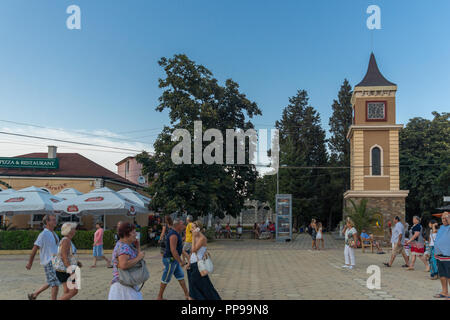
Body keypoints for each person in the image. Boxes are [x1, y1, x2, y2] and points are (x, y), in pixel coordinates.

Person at [26, 214, 60, 300]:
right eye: (53, 220)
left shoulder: (54, 233)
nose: (55, 221)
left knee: (52, 281)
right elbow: (35, 248)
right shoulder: (43, 234)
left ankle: (34, 295)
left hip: (56, 260)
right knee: (55, 283)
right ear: (47, 222)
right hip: (49, 261)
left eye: (55, 219)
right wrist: (30, 263)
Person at [108, 222, 145, 300]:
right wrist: (139, 257)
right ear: (126, 234)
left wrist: (138, 247)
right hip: (123, 287)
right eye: (133, 232)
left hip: (126, 283)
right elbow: (123, 265)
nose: (136, 234)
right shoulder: (123, 247)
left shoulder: (126, 245)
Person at [186, 220, 221, 300]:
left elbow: (193, 250)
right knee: (193, 285)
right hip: (193, 263)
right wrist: (188, 263)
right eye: (191, 228)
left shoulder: (202, 238)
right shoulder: (196, 237)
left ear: (198, 229)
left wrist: (193, 237)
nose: (191, 229)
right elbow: (192, 254)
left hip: (198, 265)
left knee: (203, 285)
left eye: (193, 228)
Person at [157, 218, 190, 300]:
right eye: (182, 224)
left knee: (181, 276)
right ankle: (159, 297)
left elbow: (179, 249)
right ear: (178, 225)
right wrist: (180, 261)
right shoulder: (173, 235)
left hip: (173, 260)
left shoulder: (176, 234)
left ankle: (187, 295)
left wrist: (184, 257)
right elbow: (173, 250)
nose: (184, 226)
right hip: (170, 260)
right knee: (166, 278)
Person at [54, 222, 82, 300]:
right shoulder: (66, 241)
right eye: (74, 229)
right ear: (69, 231)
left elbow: (68, 255)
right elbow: (64, 257)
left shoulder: (66, 240)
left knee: (67, 291)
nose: (75, 230)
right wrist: (71, 272)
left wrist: (77, 263)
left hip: (62, 269)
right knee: (74, 291)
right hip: (66, 270)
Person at [433, 212, 450, 299]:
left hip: (448, 255)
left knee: (449, 275)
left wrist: (448, 218)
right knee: (442, 275)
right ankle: (444, 292)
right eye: (442, 218)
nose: (444, 220)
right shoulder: (442, 227)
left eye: (445, 218)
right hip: (439, 255)